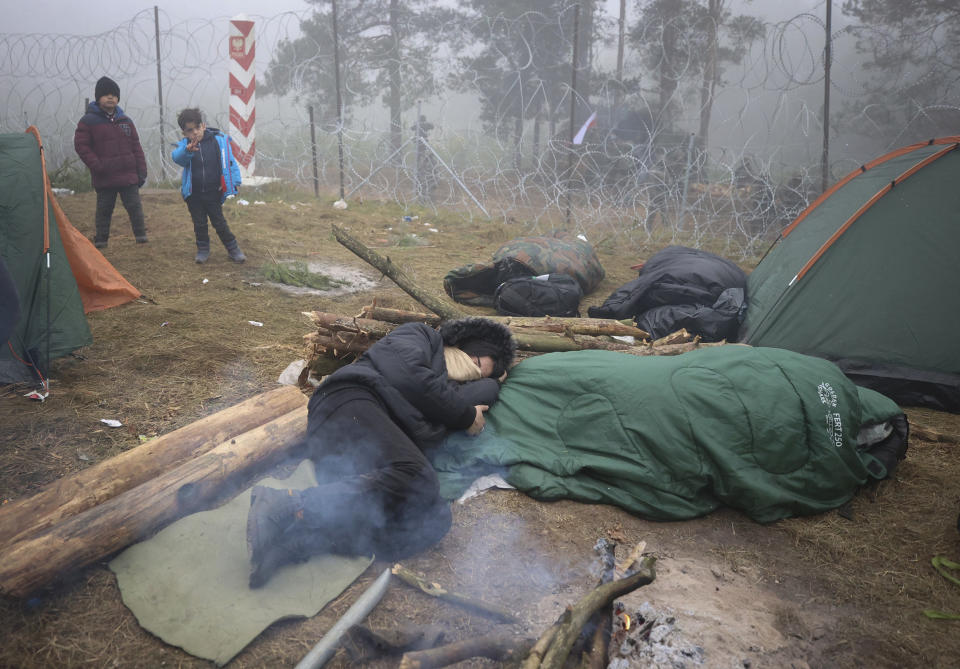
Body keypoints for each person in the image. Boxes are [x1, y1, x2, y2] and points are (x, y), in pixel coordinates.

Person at [245, 317, 516, 588]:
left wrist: (491, 384)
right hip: (350, 401)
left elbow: (452, 399)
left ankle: (297, 542)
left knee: (434, 519)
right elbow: (407, 376)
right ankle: (289, 503)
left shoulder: (447, 390)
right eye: (475, 363)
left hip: (367, 452)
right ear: (462, 346)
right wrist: (466, 415)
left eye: (479, 375)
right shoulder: (420, 336)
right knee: (418, 475)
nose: (472, 373)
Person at [73, 76, 148, 249]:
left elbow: (136, 147)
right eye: (106, 94)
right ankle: (101, 240)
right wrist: (97, 166)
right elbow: (81, 146)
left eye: (114, 94)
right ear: (98, 97)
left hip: (128, 175)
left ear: (118, 98)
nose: (110, 97)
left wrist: (141, 171)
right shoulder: (88, 121)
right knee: (104, 211)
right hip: (105, 176)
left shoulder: (126, 121)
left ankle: (141, 237)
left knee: (135, 208)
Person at [171, 108, 245, 264]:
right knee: (199, 224)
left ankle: (233, 248)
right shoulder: (185, 146)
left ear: (203, 125)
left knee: (219, 222)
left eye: (197, 128)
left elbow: (230, 162)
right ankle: (203, 250)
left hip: (213, 192)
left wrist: (235, 182)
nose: (195, 133)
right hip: (194, 194)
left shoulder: (218, 141)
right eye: (190, 131)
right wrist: (187, 151)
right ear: (184, 133)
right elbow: (177, 158)